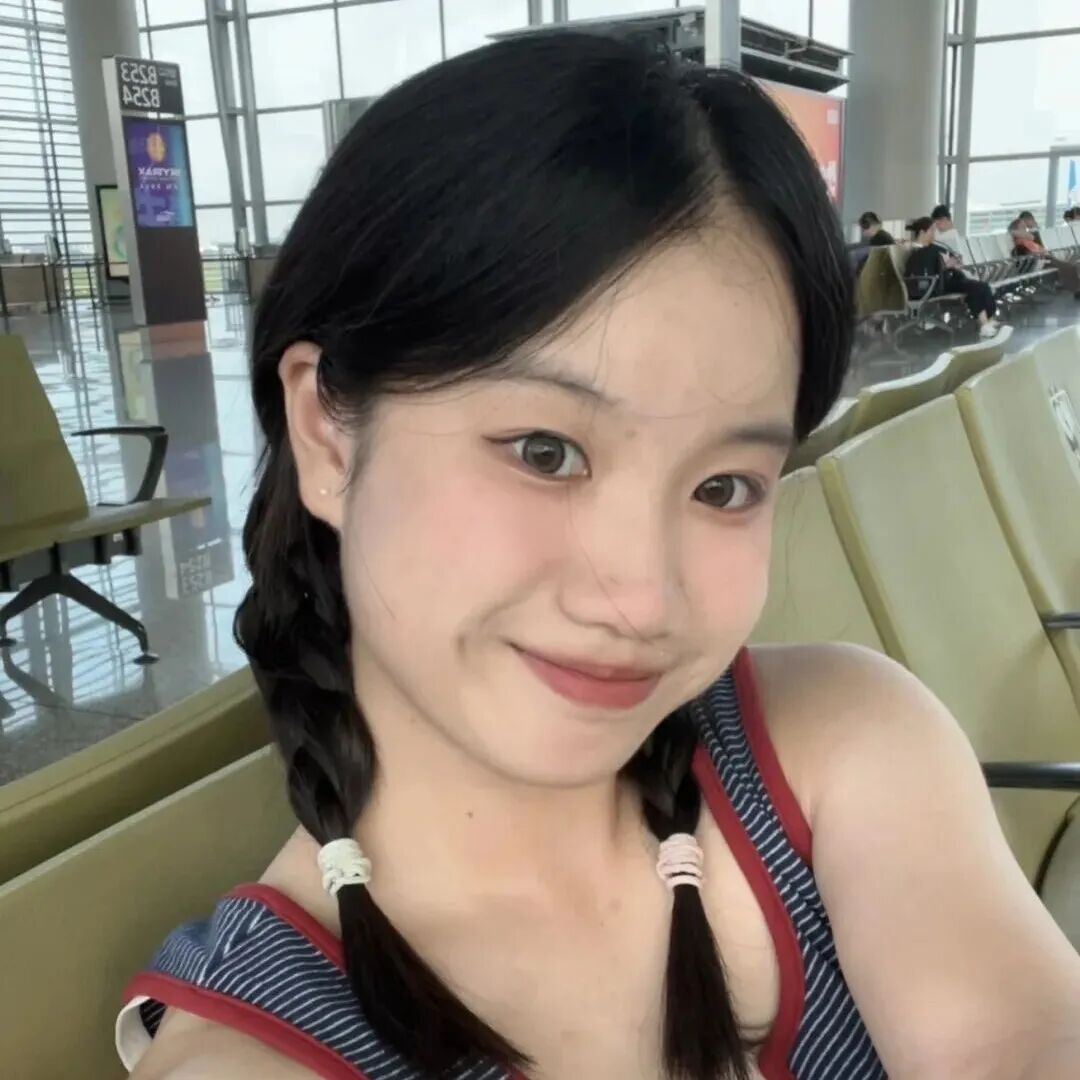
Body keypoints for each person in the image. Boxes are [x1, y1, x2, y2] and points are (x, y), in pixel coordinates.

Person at [118, 36, 1080, 1080]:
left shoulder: (843, 746)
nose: (641, 597)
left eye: (725, 487)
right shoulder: (250, 1051)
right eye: (545, 451)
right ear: (327, 435)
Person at [907, 216, 1004, 337]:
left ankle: (987, 321)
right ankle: (985, 323)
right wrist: (946, 266)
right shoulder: (917, 252)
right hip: (936, 286)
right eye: (932, 230)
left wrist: (954, 262)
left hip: (946, 280)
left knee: (981, 287)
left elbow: (947, 259)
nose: (934, 233)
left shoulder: (934, 248)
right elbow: (925, 274)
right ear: (922, 232)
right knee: (978, 288)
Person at [1011, 216, 1080, 297]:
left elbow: (1031, 237)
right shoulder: (1018, 238)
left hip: (1044, 257)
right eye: (1022, 226)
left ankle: (1075, 288)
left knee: (1068, 266)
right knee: (1067, 267)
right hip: (1040, 259)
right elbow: (1029, 238)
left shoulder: (1024, 237)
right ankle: (1075, 289)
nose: (1025, 227)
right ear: (1016, 228)